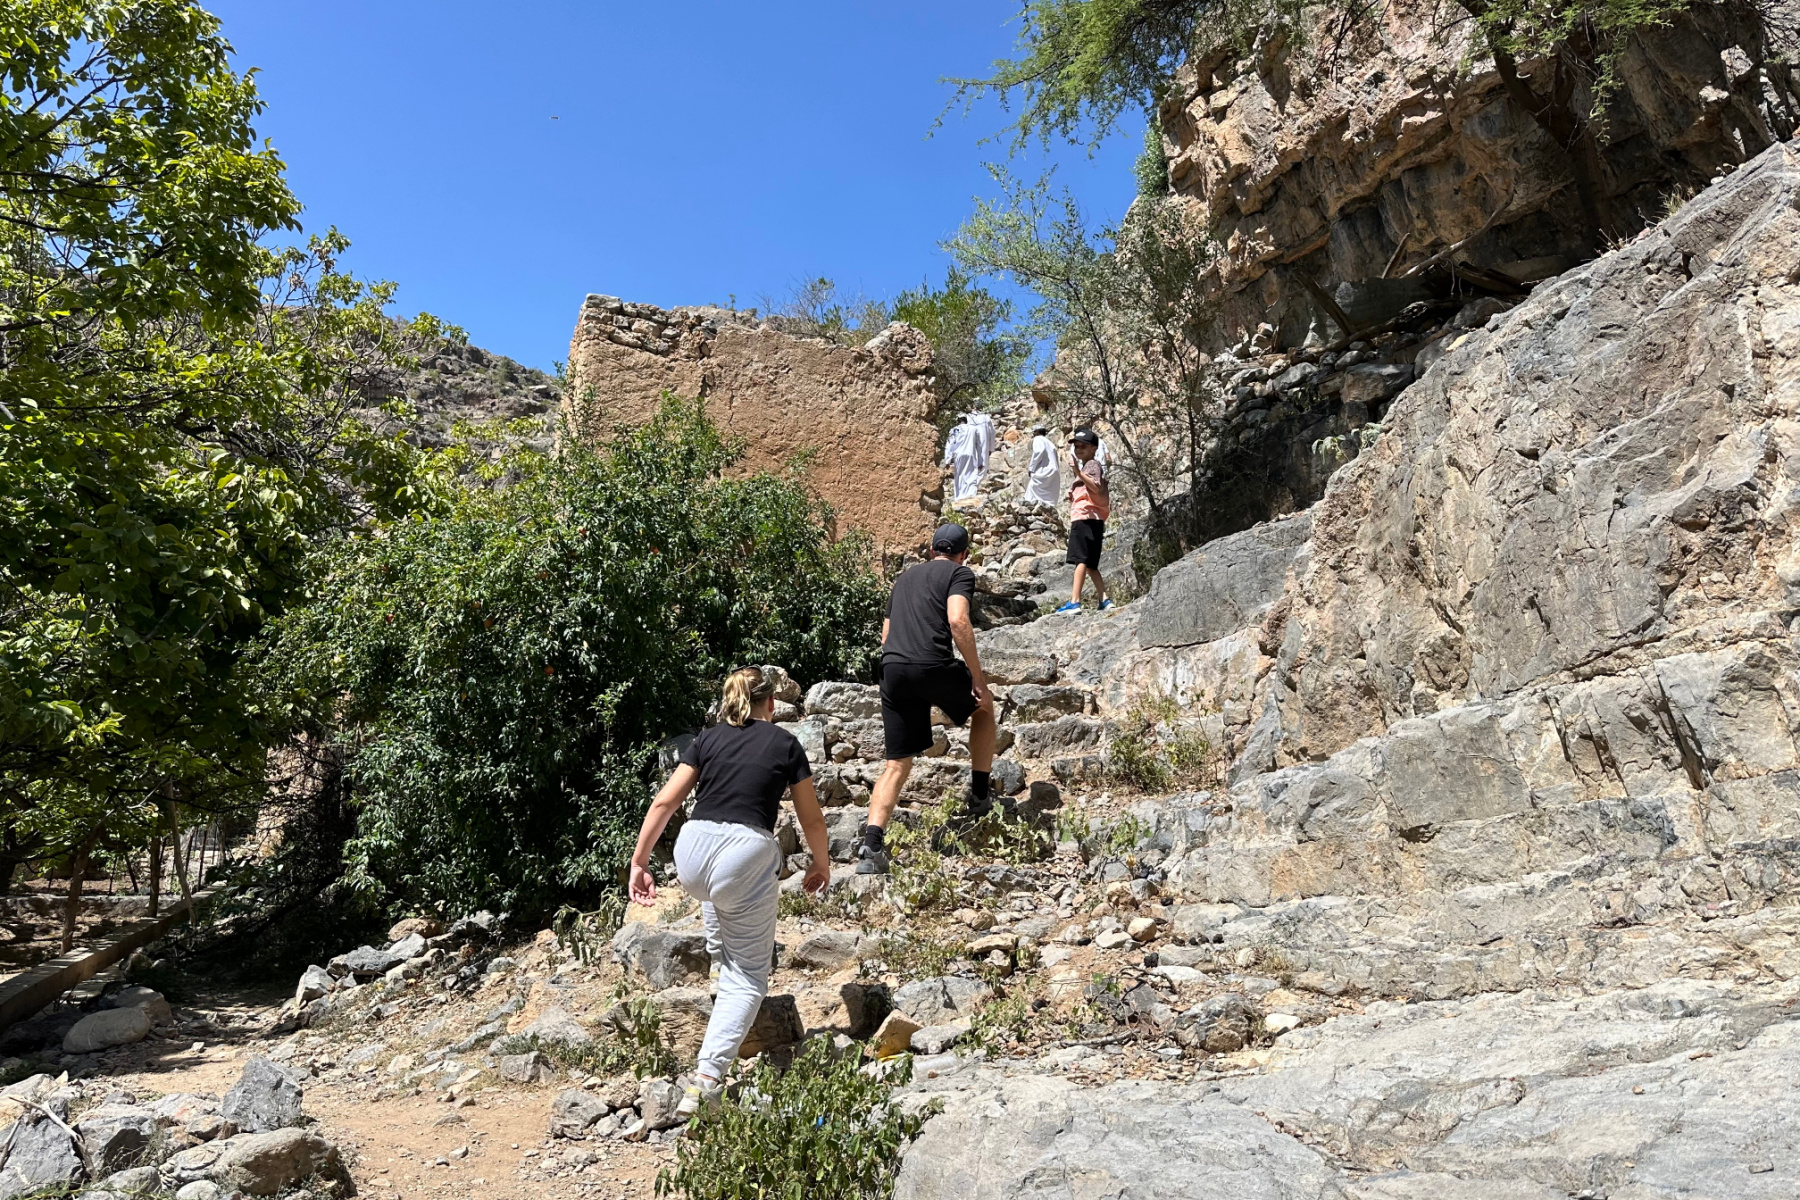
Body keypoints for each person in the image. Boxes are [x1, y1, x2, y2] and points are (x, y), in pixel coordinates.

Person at [628, 667, 831, 1116]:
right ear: (771, 704)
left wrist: (640, 861)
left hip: (692, 849)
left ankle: (722, 968)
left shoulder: (707, 738)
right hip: (743, 852)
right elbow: (811, 819)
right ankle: (706, 1081)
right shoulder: (785, 743)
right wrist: (821, 862)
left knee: (719, 902)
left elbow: (665, 802)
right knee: (750, 977)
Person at [855, 522, 997, 874]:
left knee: (896, 764)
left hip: (893, 668)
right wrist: (977, 678)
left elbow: (886, 635)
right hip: (931, 663)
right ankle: (980, 795)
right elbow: (958, 621)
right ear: (963, 553)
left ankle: (872, 847)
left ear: (932, 550)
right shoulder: (960, 573)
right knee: (984, 708)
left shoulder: (903, 579)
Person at [1055, 429, 1113, 614]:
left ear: (1094, 448)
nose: (1078, 449)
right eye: (1076, 446)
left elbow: (1095, 486)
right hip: (1094, 519)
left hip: (1084, 518)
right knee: (1090, 564)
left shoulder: (1091, 466)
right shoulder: (1091, 467)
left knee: (1079, 559)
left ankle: (1074, 601)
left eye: (1083, 446)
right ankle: (1104, 599)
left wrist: (1077, 471)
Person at [1024, 426, 1060, 508]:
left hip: (1045, 470)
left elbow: (1039, 451)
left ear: (1036, 432)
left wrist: (1031, 468)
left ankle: (1029, 508)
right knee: (1048, 494)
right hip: (1054, 471)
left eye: (1034, 432)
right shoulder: (1049, 443)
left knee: (1032, 487)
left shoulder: (1038, 439)